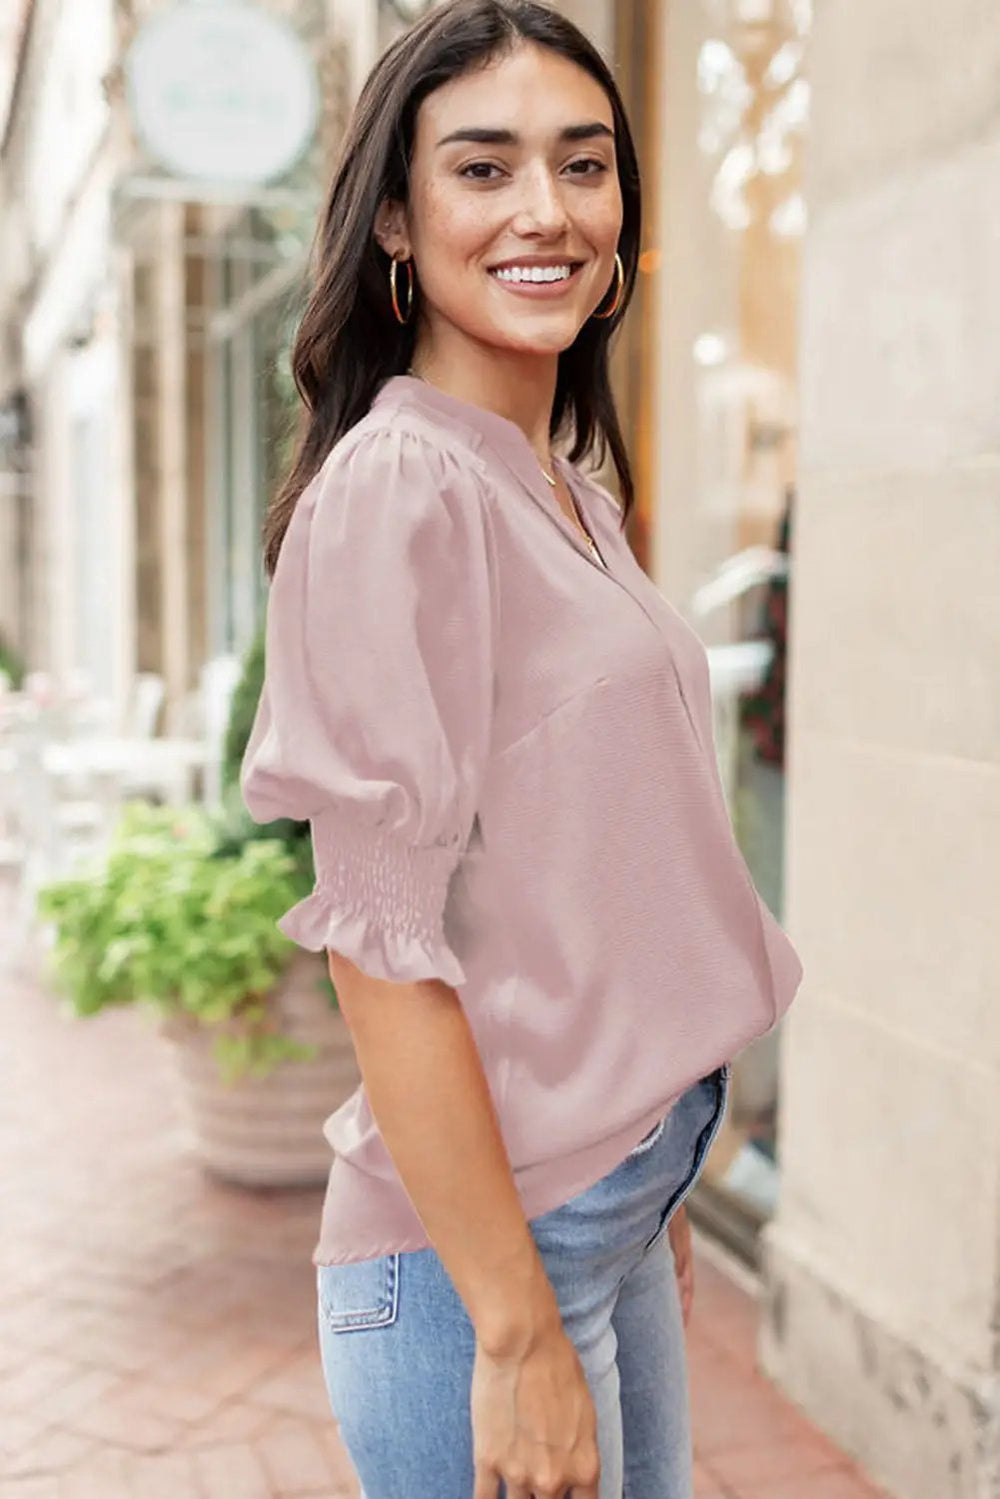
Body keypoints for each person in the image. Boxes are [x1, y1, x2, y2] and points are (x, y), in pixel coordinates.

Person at [240, 3, 804, 1495]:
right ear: (399, 231)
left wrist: (656, 1183)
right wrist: (512, 1327)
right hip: (484, 1263)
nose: (547, 211)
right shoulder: (399, 492)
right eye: (484, 170)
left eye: (586, 164)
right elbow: (382, 947)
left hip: (603, 1208)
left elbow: (582, 884)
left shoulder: (559, 485)